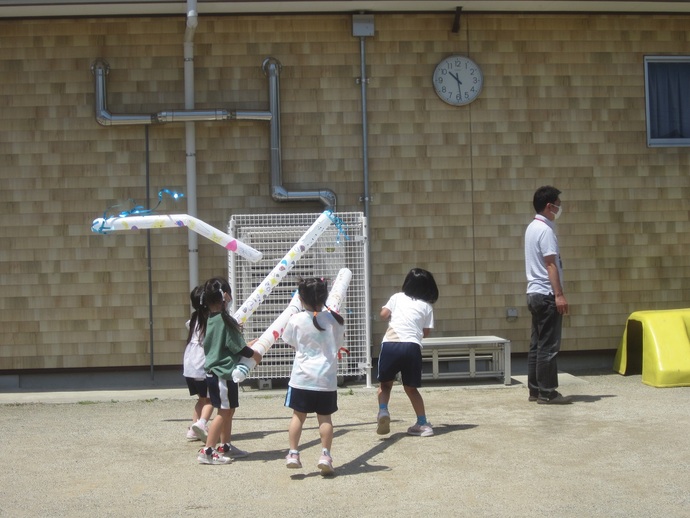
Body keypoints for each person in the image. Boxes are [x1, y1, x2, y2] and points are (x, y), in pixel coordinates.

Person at [282, 277, 345, 476]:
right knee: (325, 418)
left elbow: (289, 341)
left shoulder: (296, 319)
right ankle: (325, 455)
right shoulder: (334, 320)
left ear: (300, 298)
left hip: (301, 378)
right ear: (325, 296)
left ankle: (293, 453)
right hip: (326, 380)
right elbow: (337, 343)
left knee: (298, 417)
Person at [196, 277, 263, 465]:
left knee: (229, 410)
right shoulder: (224, 321)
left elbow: (229, 345)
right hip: (222, 374)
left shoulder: (211, 318)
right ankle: (207, 451)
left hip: (221, 373)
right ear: (225, 296)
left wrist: (246, 347)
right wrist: (254, 355)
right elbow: (238, 348)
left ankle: (225, 445)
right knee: (224, 411)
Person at [376, 268, 439, 437]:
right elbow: (425, 333)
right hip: (412, 346)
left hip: (390, 344)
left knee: (385, 384)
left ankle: (383, 411)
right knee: (411, 388)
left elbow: (383, 315)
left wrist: (388, 312)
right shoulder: (427, 306)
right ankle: (423, 423)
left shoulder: (396, 297)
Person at [524, 185, 571, 405]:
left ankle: (534, 389)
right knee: (548, 346)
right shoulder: (545, 230)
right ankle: (547, 391)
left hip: (534, 292)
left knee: (537, 344)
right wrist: (559, 295)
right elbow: (550, 264)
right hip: (546, 293)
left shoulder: (532, 227)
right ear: (549, 206)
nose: (560, 209)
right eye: (558, 205)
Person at [183, 285, 212, 443]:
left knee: (201, 399)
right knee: (211, 400)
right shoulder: (210, 320)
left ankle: (192, 430)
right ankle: (201, 424)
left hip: (189, 365)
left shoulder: (193, 318)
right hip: (202, 365)